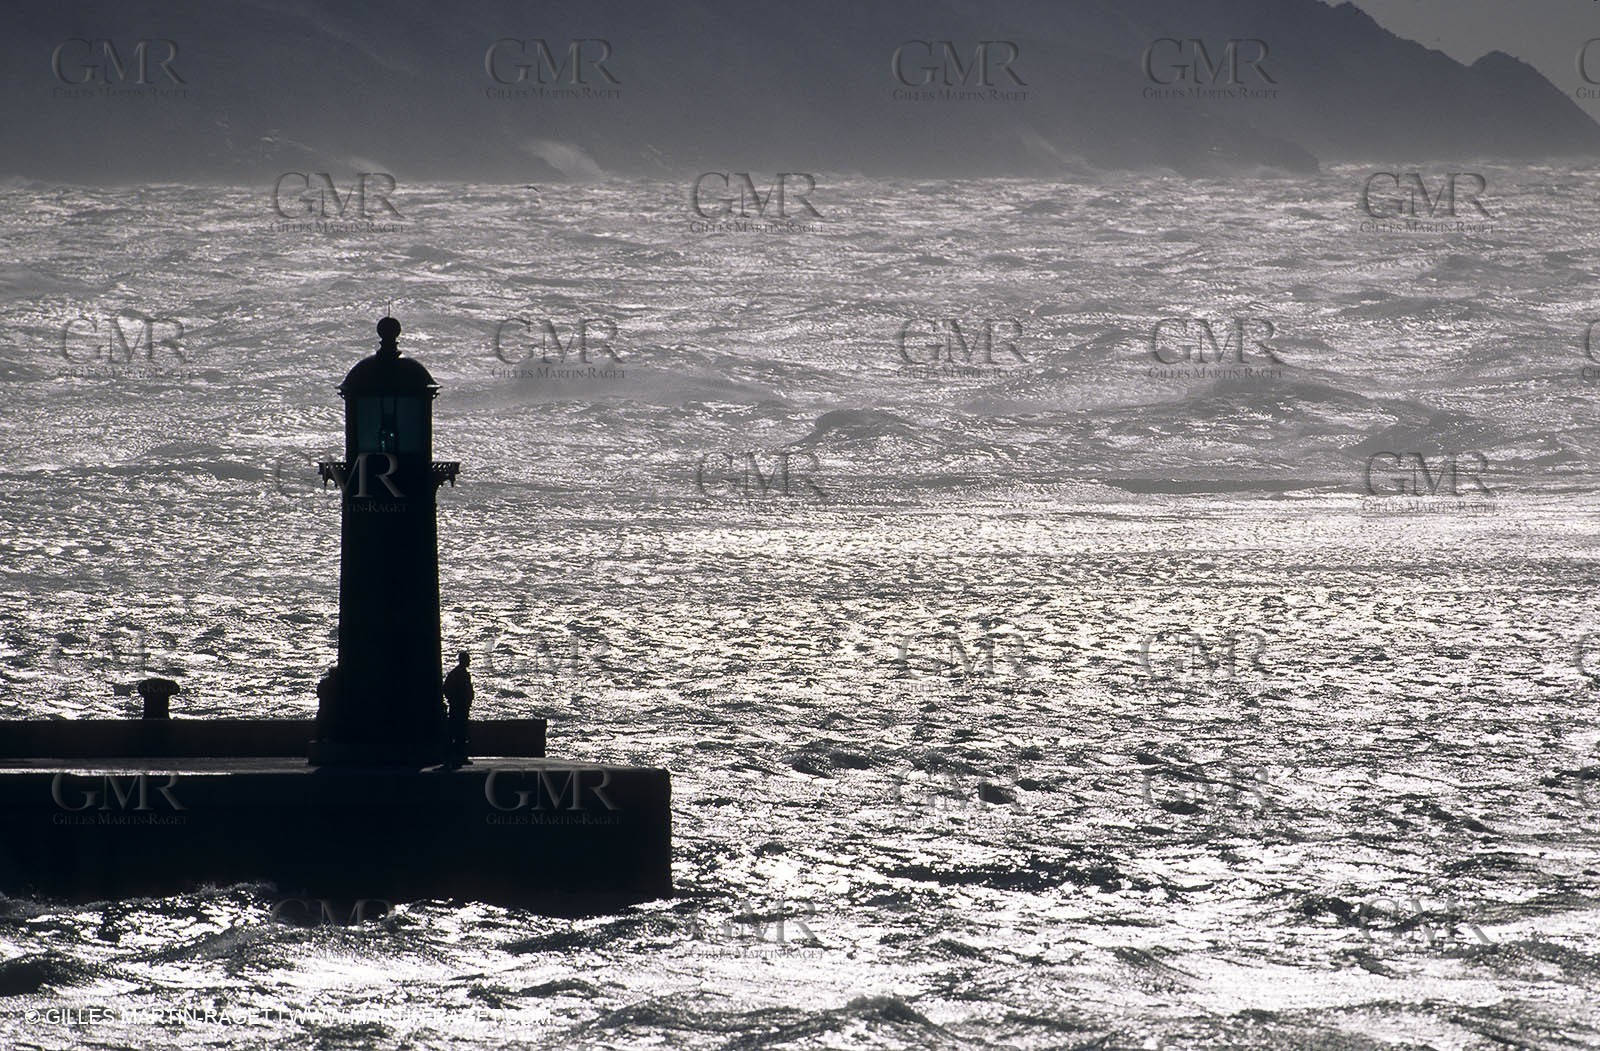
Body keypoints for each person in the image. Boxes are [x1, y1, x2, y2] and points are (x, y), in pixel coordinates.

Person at [442, 651, 473, 766]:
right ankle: (455, 757)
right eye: (468, 659)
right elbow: (447, 689)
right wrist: (454, 701)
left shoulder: (460, 673)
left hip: (462, 707)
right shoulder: (457, 674)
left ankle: (459, 757)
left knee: (461, 732)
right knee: (457, 732)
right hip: (458, 708)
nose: (469, 661)